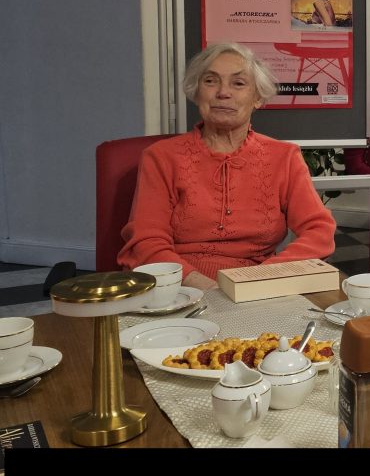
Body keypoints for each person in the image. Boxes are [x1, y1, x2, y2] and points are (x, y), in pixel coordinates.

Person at [118, 42, 337, 290]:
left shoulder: (284, 157)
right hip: (178, 285)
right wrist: (205, 287)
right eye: (210, 81)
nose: (223, 92)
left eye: (238, 83)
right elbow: (146, 241)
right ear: (196, 92)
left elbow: (319, 231)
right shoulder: (160, 157)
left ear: (257, 98)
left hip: (256, 286)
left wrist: (259, 279)